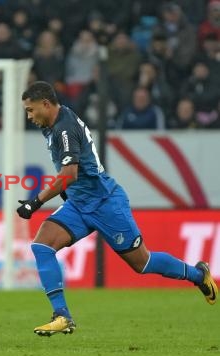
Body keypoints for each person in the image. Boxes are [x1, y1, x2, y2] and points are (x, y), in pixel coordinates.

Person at [17, 81, 218, 336]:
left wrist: (37, 201)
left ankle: (198, 275)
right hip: (79, 204)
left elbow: (69, 173)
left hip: (105, 204)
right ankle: (62, 315)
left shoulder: (64, 129)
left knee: (142, 264)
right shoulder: (54, 124)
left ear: (46, 104)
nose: (29, 116)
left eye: (31, 110)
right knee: (42, 245)